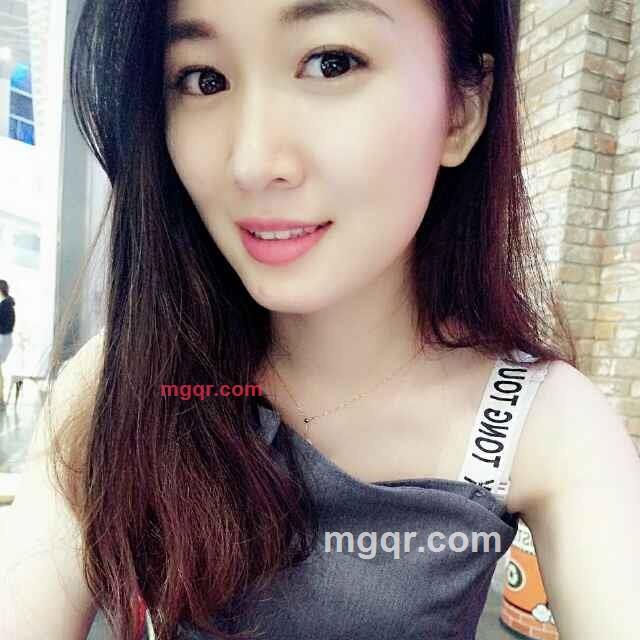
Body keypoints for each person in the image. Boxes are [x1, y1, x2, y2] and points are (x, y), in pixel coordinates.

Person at [2, 1, 640, 639]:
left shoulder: (541, 422)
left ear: (461, 110)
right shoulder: (124, 379)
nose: (251, 163)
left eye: (330, 63)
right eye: (203, 78)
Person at [0, 279, 16, 406]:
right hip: (5, 340)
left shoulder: (5, 306)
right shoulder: (6, 305)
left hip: (3, 340)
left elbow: (6, 327)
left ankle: (0, 400)